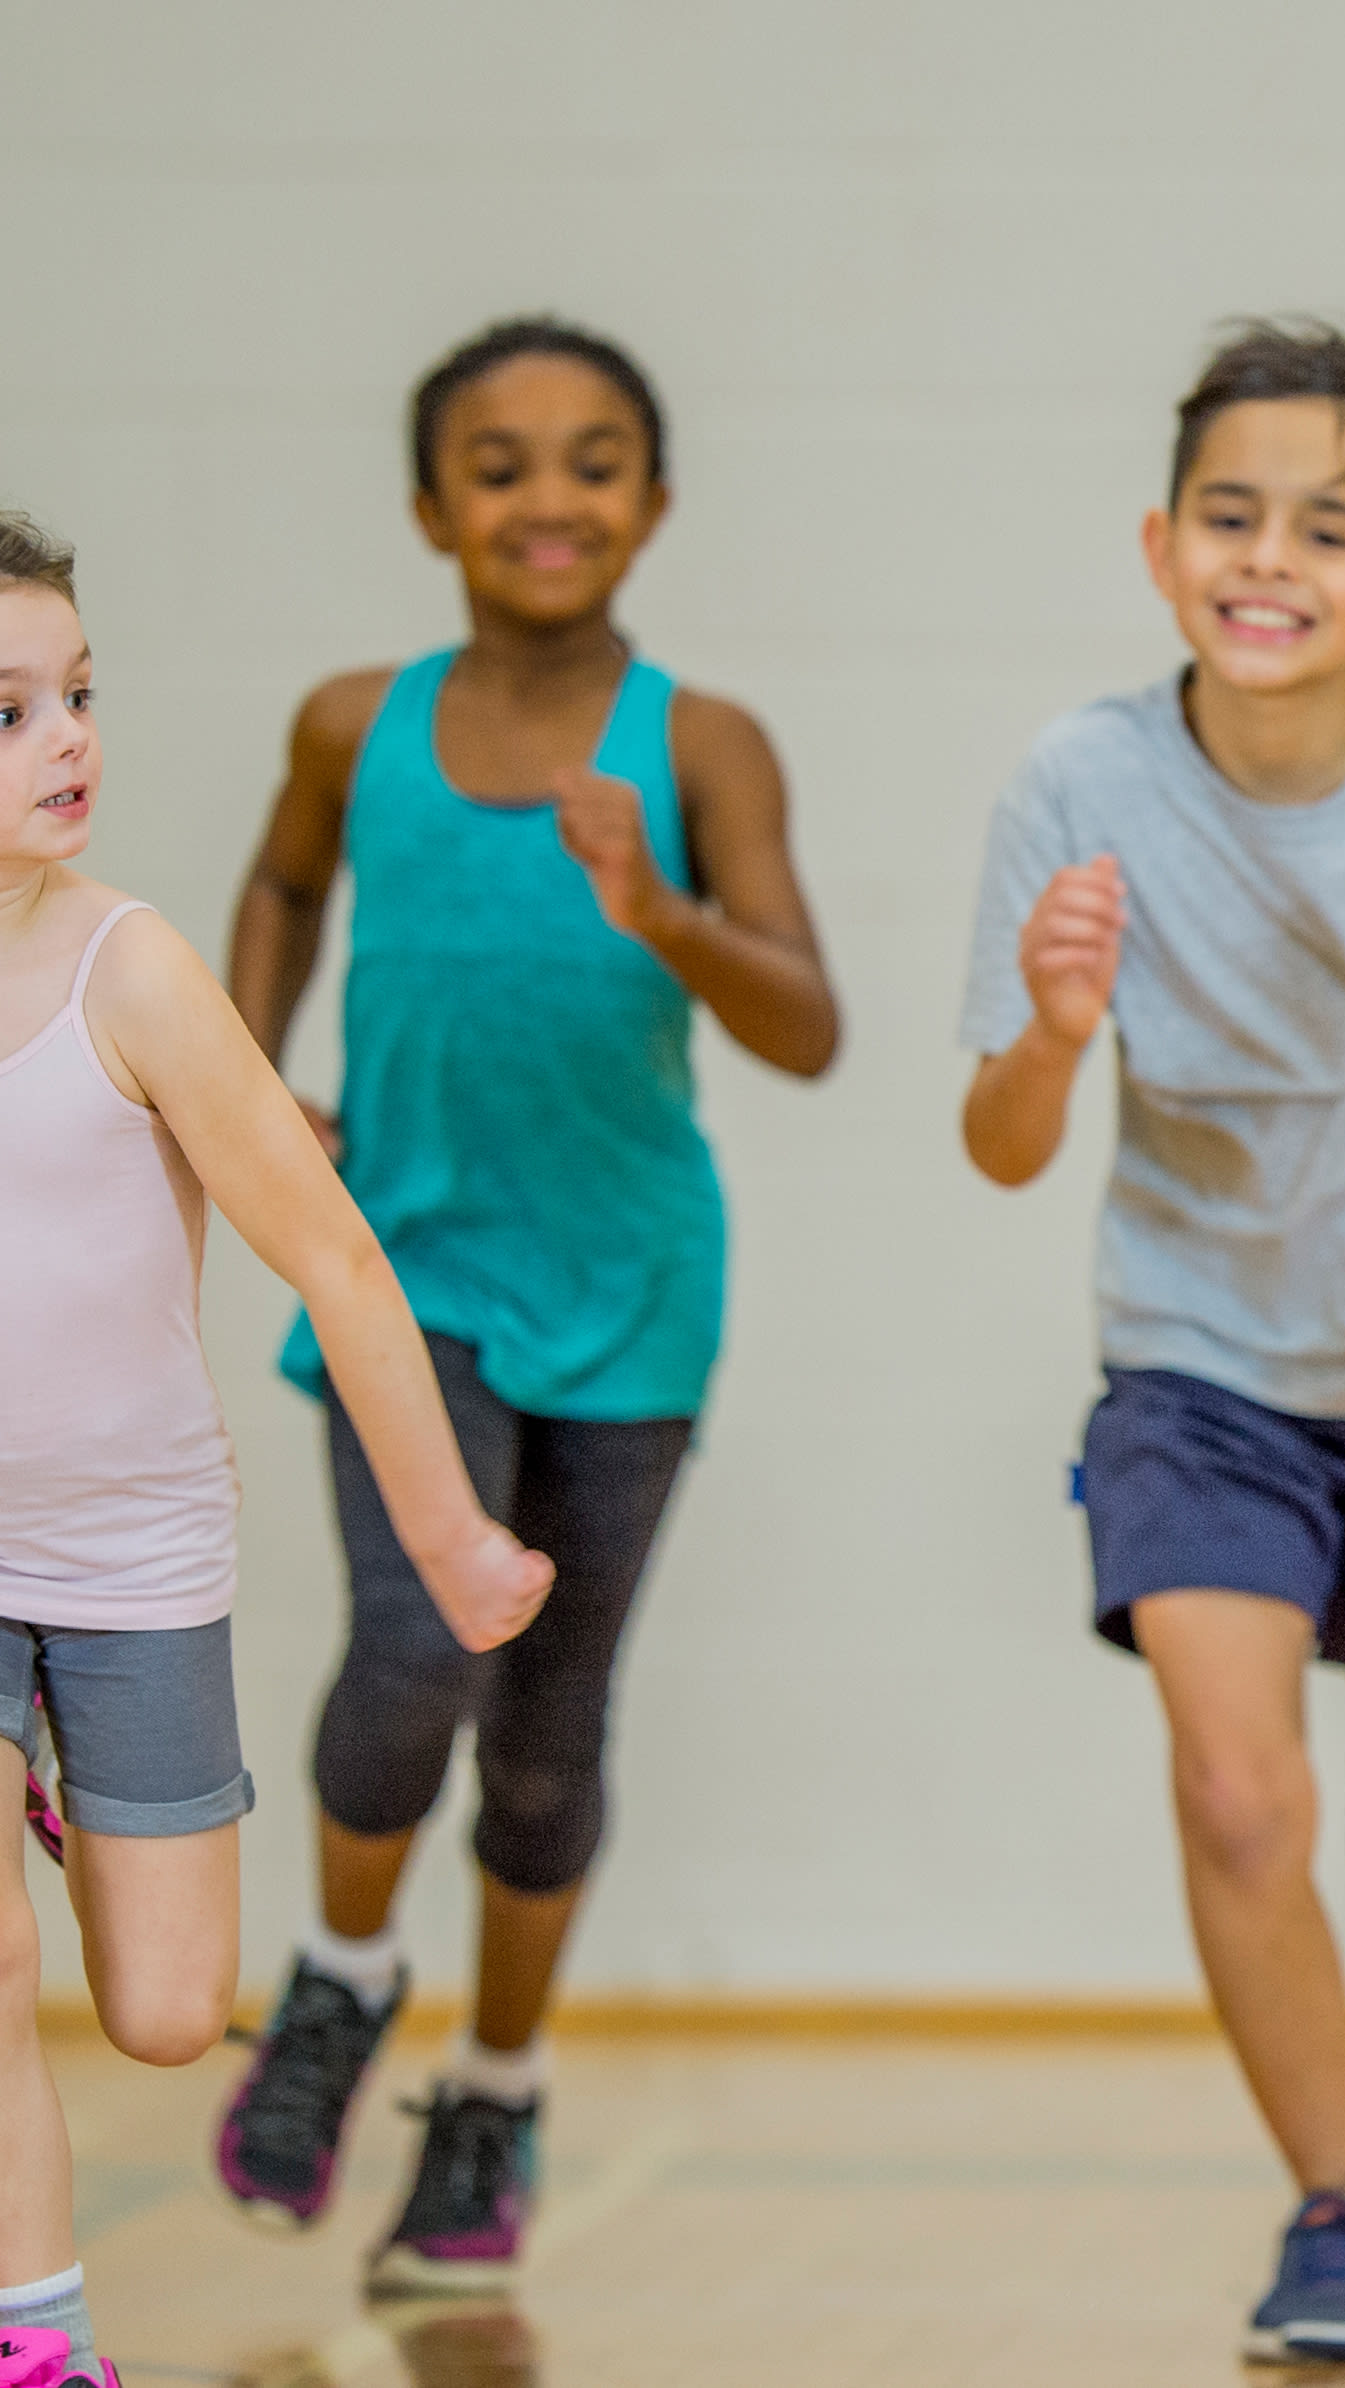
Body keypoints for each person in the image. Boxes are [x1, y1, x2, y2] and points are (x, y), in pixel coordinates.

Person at [960, 320, 1345, 2368]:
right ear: (1161, 545)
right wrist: (1055, 1033)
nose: (1271, 560)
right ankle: (1340, 2204)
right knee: (1238, 1798)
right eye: (1233, 515)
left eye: (1331, 528)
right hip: (1201, 1370)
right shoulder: (1081, 783)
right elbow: (1000, 1143)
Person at [210, 319, 841, 2292]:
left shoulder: (706, 745)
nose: (547, 498)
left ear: (653, 499)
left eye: (592, 461)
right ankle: (338, 1983)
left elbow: (807, 1027)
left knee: (550, 1734)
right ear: (428, 508)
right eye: (498, 464)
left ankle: (494, 2087)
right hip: (410, 1272)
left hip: (634, 1298)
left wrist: (658, 909)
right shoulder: (348, 723)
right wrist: (250, 1083)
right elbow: (281, 889)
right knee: (413, 1656)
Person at [0, 510, 549, 2388]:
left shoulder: (133, 975)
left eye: (76, 695)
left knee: (163, 2013)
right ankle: (41, 2341)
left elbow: (334, 1251)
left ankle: (83, 1795)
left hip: (129, 1557)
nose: (66, 739)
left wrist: (456, 1539)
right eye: (8, 711)